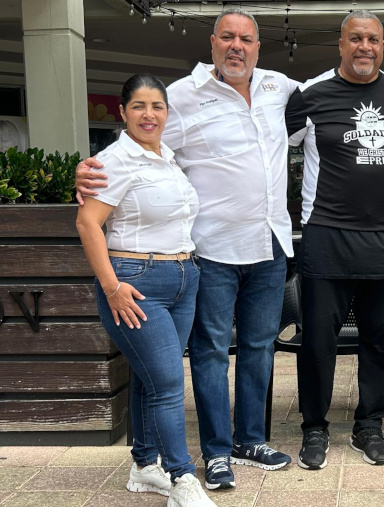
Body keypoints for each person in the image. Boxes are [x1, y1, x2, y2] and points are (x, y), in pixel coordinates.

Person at [76, 9, 296, 491]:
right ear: (213, 42)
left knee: (259, 347)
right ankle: (216, 453)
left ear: (259, 47)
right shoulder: (180, 97)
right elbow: (140, 140)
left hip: (269, 243)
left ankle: (250, 440)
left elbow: (337, 82)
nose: (237, 46)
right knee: (211, 352)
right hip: (211, 250)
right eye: (228, 38)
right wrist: (90, 174)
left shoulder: (279, 88)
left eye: (247, 39)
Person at [285, 10, 384, 470]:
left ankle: (369, 425)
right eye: (355, 39)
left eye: (372, 39)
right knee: (318, 343)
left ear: (382, 46)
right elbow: (271, 148)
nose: (364, 47)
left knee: (379, 340)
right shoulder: (309, 95)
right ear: (341, 43)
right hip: (326, 235)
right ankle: (314, 427)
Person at [76, 74, 216, 507]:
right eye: (139, 106)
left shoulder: (168, 158)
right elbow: (87, 223)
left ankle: (143, 466)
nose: (149, 114)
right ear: (122, 112)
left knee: (150, 377)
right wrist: (112, 286)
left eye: (157, 106)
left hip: (181, 276)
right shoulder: (114, 161)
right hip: (134, 282)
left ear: (167, 112)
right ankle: (182, 478)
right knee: (170, 382)